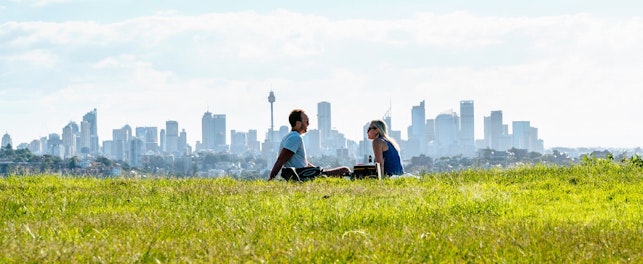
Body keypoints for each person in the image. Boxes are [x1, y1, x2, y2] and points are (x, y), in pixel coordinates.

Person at [268, 109, 351, 181]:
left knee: (340, 171)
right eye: (306, 122)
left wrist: (317, 170)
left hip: (307, 172)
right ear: (298, 123)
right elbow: (280, 160)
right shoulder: (295, 137)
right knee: (345, 170)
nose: (308, 124)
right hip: (303, 175)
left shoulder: (288, 137)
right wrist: (270, 179)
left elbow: (301, 162)